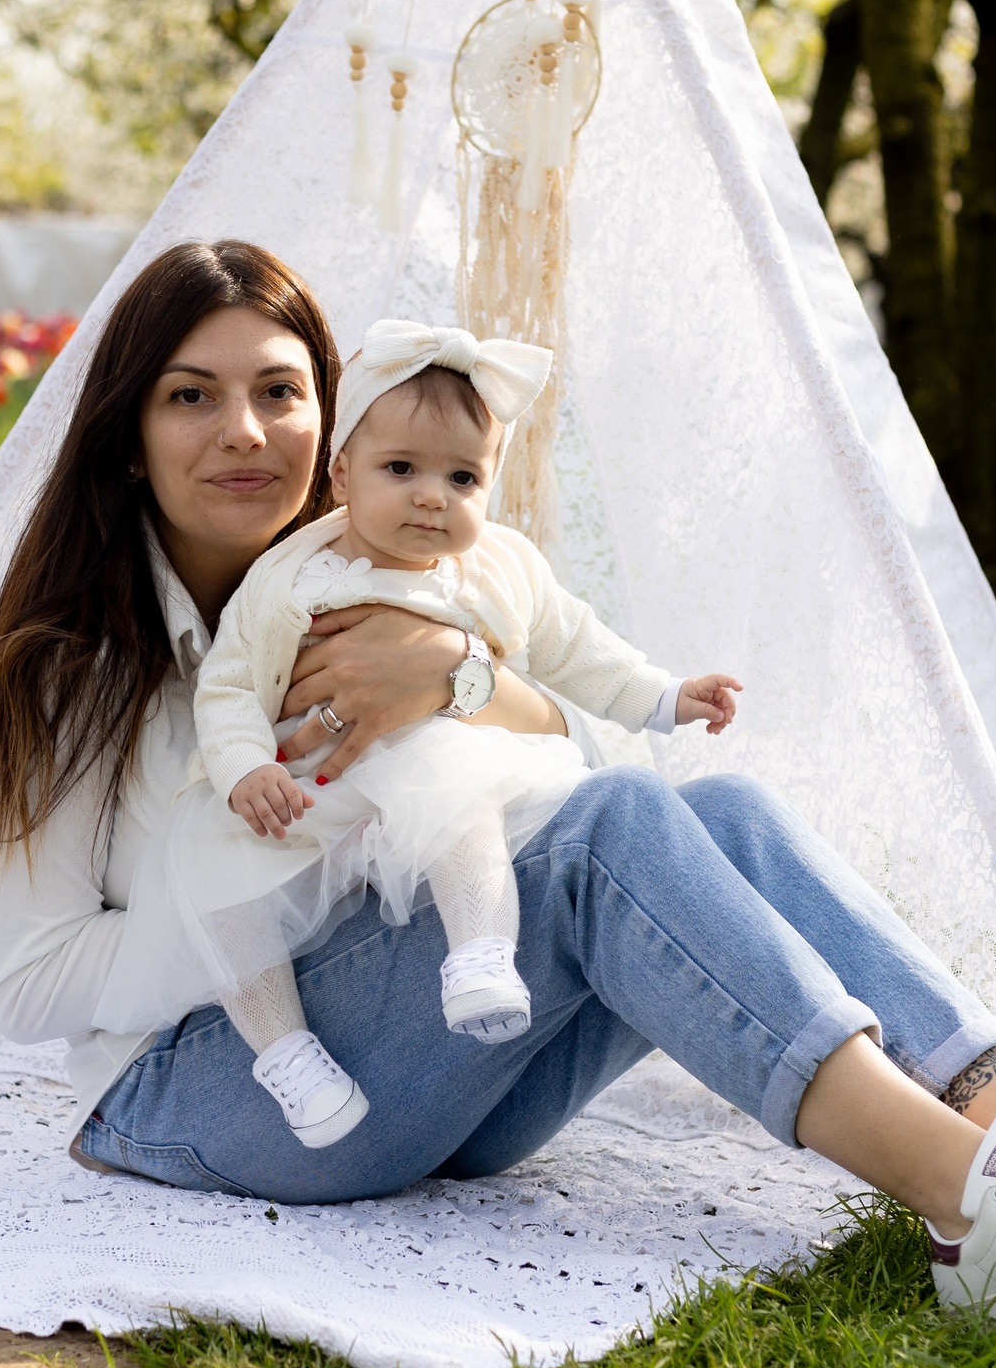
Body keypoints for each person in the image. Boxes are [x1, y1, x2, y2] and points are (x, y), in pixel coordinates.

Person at [0, 239, 996, 1316]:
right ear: (127, 437)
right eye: (191, 395)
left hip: (431, 1042)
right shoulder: (64, 659)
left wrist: (445, 683)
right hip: (212, 1086)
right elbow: (26, 987)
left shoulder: (374, 574)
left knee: (721, 813)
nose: (246, 431)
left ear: (336, 420)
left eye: (280, 391)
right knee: (622, 826)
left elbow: (553, 800)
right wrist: (262, 888)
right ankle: (972, 1206)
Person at [136, 318, 744, 1149]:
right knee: (221, 890)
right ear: (342, 470)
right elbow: (231, 683)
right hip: (309, 789)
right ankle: (288, 1057)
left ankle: (481, 958)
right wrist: (244, 769)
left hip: (433, 763)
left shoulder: (499, 565)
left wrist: (670, 695)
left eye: (464, 477)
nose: (433, 495)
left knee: (463, 807)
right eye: (402, 469)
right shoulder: (292, 573)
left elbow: (581, 649)